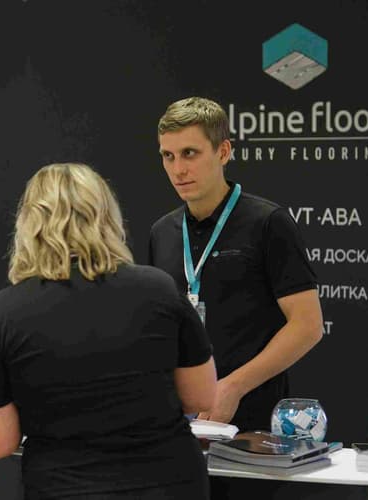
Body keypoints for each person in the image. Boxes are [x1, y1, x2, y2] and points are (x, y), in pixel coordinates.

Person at [0, 163, 217, 499]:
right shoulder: (160, 290)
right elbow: (201, 398)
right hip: (170, 484)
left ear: (28, 225)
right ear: (107, 218)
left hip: (65, 488)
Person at [149, 96, 324, 434]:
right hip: (178, 424)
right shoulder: (162, 232)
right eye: (168, 156)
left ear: (224, 152)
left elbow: (308, 325)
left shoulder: (268, 222)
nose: (178, 169)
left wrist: (233, 387)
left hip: (253, 425)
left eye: (190, 153)